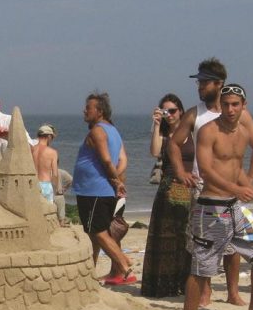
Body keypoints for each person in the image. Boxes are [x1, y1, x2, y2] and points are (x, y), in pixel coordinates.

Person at [168, 59, 253, 307]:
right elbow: (174, 143)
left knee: (233, 244)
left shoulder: (239, 113)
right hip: (205, 187)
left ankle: (233, 292)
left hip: (234, 192)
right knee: (205, 247)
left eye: (204, 82)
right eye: (199, 82)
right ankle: (205, 294)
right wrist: (181, 172)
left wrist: (249, 184)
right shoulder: (196, 114)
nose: (199, 86)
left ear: (218, 84)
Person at [183, 85, 253, 310]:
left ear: (244, 106)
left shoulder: (243, 133)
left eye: (235, 104)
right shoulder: (208, 131)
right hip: (211, 208)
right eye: (226, 104)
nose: (230, 109)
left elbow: (237, 167)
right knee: (202, 267)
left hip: (234, 208)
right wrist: (238, 189)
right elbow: (206, 170)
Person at [73, 92, 135, 286]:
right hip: (102, 190)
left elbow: (106, 159)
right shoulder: (113, 130)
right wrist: (116, 179)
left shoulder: (98, 131)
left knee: (98, 232)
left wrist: (116, 181)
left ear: (99, 111)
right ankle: (89, 272)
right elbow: (123, 159)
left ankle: (124, 266)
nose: (84, 110)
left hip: (93, 190)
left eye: (88, 107)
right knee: (94, 233)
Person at [141, 94, 194, 298]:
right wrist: (156, 125)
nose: (169, 115)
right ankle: (163, 284)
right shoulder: (164, 137)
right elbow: (155, 152)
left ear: (181, 111)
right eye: (165, 112)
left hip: (190, 187)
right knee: (165, 239)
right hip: (168, 187)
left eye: (172, 111)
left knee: (186, 237)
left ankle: (184, 282)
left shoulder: (192, 134)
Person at [32, 124, 60, 204]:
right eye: (52, 137)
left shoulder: (32, 150)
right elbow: (55, 174)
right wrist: (56, 188)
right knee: (48, 212)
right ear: (48, 136)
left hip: (34, 184)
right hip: (46, 185)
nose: (52, 140)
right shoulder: (53, 152)